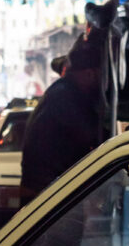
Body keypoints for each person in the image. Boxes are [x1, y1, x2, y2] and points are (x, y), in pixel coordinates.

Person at [20, 28, 108, 203]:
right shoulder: (66, 97)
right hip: (46, 197)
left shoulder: (64, 92)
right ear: (89, 73)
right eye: (100, 75)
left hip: (52, 191)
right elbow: (93, 138)